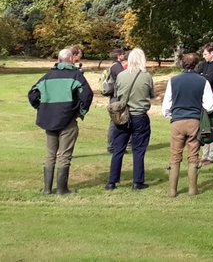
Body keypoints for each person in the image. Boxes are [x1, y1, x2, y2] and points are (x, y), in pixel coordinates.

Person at [28, 46, 93, 195]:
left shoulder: (47, 76)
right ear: (71, 59)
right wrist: (80, 112)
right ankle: (62, 189)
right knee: (64, 155)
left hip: (49, 120)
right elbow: (87, 95)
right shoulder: (76, 75)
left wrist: (43, 108)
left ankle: (47, 189)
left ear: (58, 60)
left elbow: (32, 94)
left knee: (50, 155)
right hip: (68, 120)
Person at [162, 52, 213, 197]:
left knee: (175, 155)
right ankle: (192, 190)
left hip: (177, 121)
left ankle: (172, 190)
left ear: (182, 63)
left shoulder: (173, 80)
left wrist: (170, 116)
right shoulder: (202, 81)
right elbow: (210, 106)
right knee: (193, 155)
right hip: (194, 121)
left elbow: (166, 106)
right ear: (196, 64)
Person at [107, 46, 154, 190]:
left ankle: (112, 181)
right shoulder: (147, 76)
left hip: (123, 115)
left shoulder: (121, 75)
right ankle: (137, 181)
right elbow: (151, 95)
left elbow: (116, 93)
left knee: (118, 149)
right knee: (138, 150)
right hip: (139, 115)